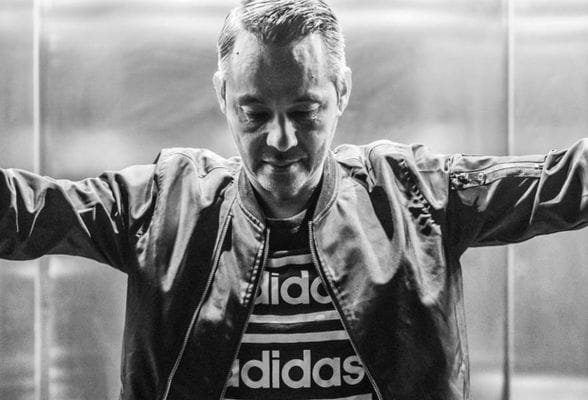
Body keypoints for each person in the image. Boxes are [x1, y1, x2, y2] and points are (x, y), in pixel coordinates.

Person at [1, 0, 587, 399]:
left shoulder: (413, 197)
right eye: (255, 113)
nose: (280, 140)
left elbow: (566, 183)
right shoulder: (164, 205)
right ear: (223, 96)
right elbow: (25, 211)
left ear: (342, 91)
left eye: (304, 111)